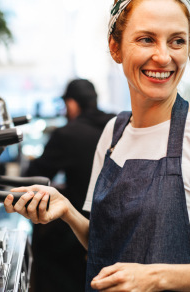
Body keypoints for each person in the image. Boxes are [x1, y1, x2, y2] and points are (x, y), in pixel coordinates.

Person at [5, 0, 190, 291]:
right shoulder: (113, 133)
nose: (163, 56)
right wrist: (67, 210)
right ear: (115, 47)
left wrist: (156, 276)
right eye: (146, 39)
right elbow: (107, 248)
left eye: (177, 41)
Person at [24, 79, 115, 292]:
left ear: (72, 104)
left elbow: (34, 176)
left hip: (78, 229)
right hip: (116, 224)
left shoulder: (68, 133)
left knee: (43, 244)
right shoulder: (117, 125)